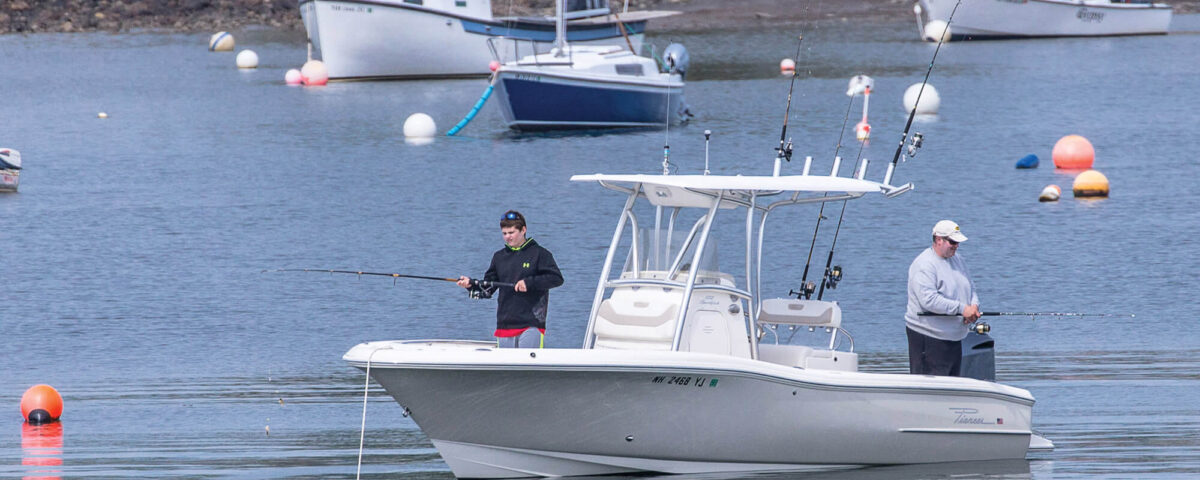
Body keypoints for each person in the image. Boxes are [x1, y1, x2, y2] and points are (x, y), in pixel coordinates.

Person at [458, 210, 564, 348]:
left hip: (531, 324)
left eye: (511, 232)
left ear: (523, 230)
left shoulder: (540, 254)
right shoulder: (499, 257)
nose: (508, 237)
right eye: (504, 233)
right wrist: (470, 285)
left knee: (527, 367)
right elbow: (489, 288)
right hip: (504, 325)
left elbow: (556, 278)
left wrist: (529, 282)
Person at [904, 219, 981, 376]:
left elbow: (970, 286)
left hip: (953, 337)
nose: (956, 246)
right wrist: (962, 309)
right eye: (952, 242)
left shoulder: (958, 260)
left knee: (952, 387)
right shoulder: (924, 264)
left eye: (958, 242)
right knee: (931, 390)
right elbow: (929, 301)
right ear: (938, 240)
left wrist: (973, 308)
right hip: (929, 337)